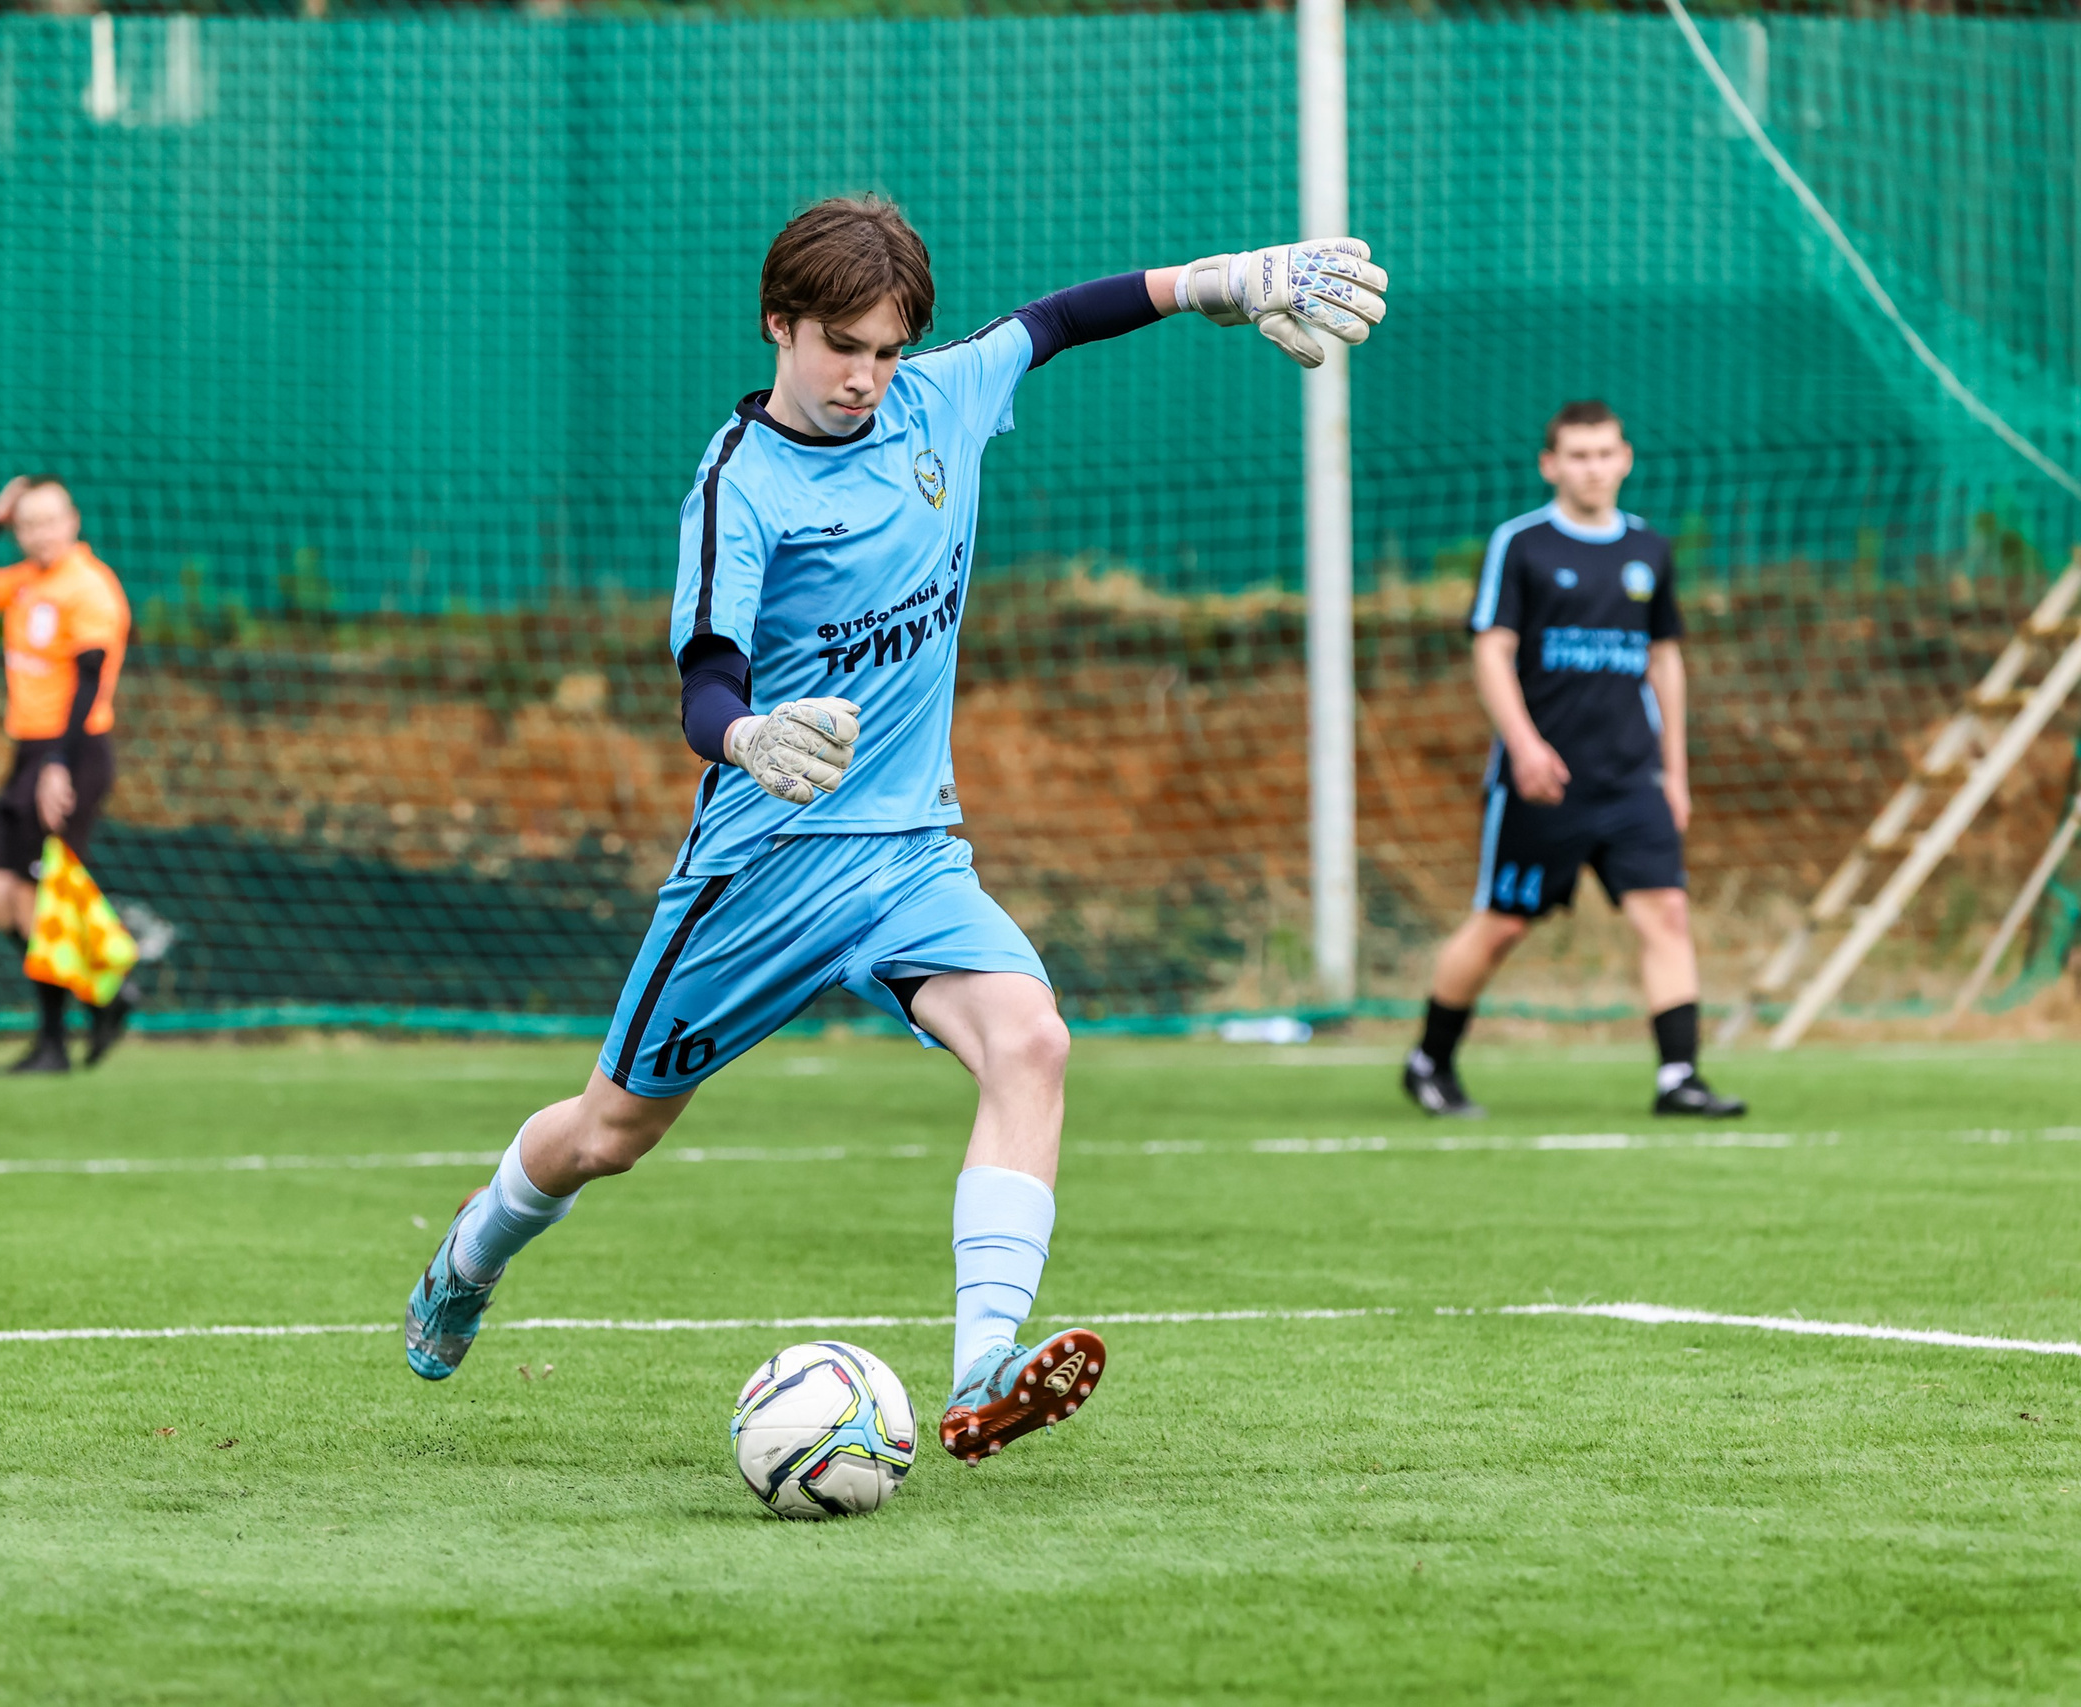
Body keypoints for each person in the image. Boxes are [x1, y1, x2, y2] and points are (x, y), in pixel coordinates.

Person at [402, 196, 1391, 1462]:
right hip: (760, 869)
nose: (865, 378)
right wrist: (746, 737)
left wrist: (1228, 279)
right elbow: (706, 674)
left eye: (884, 349)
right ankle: (470, 1258)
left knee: (1032, 1040)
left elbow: (1059, 321)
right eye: (841, 348)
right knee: (608, 1134)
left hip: (911, 855)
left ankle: (985, 1363)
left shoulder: (938, 402)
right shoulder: (738, 483)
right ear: (780, 326)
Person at [1403, 401, 1745, 1120]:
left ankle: (1678, 1076)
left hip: (1632, 778)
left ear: (1625, 459)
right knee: (1502, 923)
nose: (1592, 468)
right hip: (1545, 782)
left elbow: (1664, 661)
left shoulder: (1650, 549)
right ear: (1550, 465)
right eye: (1577, 455)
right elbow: (1491, 650)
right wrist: (1525, 745)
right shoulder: (1521, 544)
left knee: (1668, 915)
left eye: (1604, 453)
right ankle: (1430, 1058)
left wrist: (1674, 773)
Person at [0, 475, 137, 1074]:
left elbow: (89, 683)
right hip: (29, 754)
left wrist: (56, 765)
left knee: (35, 898)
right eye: (28, 524)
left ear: (73, 520)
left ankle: (54, 1041)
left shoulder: (90, 589)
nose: (40, 533)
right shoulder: (25, 582)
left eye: (49, 520)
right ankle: (102, 993)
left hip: (73, 754)